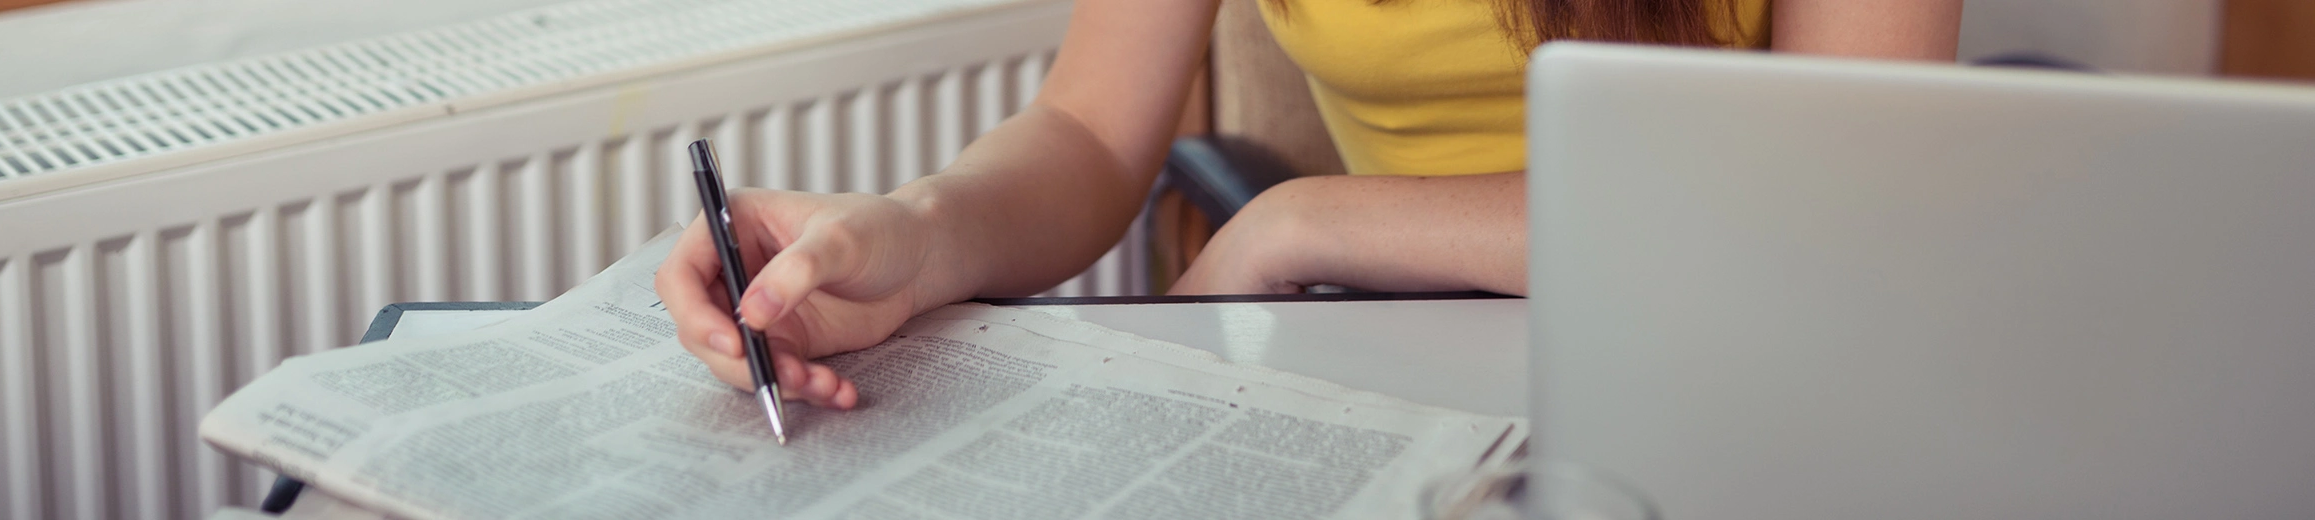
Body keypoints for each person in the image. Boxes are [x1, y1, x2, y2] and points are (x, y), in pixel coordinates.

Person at [658, 0, 1961, 409]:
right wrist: (917, 233)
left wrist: (1316, 219)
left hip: (1752, 351)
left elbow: (1837, 193)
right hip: (1408, 370)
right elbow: (1090, 125)